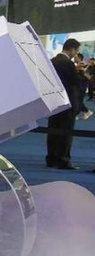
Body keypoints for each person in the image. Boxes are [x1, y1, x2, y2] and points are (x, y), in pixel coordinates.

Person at [46, 38, 81, 170]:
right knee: (66, 133)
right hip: (68, 102)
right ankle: (63, 160)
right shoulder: (68, 64)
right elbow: (76, 82)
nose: (76, 53)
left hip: (55, 101)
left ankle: (51, 158)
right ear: (71, 49)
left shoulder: (53, 61)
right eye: (76, 50)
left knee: (53, 131)